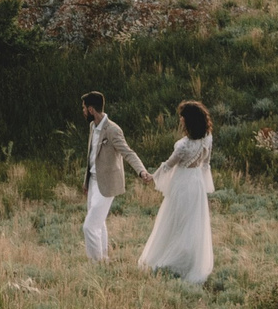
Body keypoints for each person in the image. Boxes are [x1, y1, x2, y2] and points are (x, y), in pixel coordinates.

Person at [138, 100, 216, 284]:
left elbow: (168, 165)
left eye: (182, 116)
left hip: (183, 185)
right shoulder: (208, 138)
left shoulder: (183, 145)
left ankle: (173, 260)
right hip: (196, 183)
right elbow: (206, 164)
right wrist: (203, 185)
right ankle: (191, 261)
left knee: (175, 222)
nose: (180, 119)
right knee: (193, 223)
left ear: (188, 120)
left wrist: (152, 177)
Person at [80, 91, 149, 262]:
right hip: (93, 182)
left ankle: (96, 264)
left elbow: (128, 152)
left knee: (89, 226)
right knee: (99, 223)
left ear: (91, 109)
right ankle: (104, 258)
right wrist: (86, 181)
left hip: (107, 183)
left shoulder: (112, 130)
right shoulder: (91, 127)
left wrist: (142, 171)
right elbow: (91, 156)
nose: (82, 112)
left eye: (84, 108)